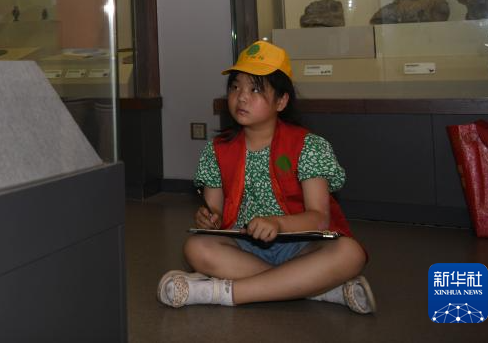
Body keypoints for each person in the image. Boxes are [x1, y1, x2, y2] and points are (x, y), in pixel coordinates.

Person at [157, 40, 376, 314]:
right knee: (196, 248)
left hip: (300, 247)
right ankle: (315, 288)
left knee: (350, 254)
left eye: (255, 89)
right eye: (235, 87)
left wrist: (278, 223)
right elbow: (216, 213)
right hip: (245, 247)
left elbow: (319, 218)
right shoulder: (217, 150)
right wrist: (209, 217)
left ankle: (221, 292)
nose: (241, 97)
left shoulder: (308, 146)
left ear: (281, 101)